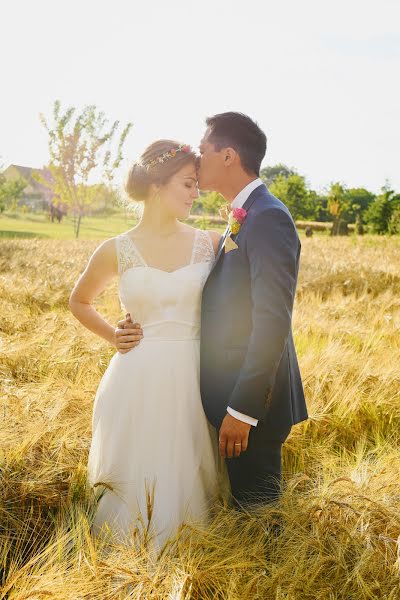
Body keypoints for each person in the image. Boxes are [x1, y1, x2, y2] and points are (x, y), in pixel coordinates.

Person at [119, 112, 308, 510]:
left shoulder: (268, 217)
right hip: (230, 402)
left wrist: (243, 409)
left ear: (228, 156)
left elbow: (272, 321)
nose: (197, 158)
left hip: (253, 406)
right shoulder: (244, 216)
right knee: (243, 517)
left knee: (259, 524)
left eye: (203, 149)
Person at [68, 140, 229, 549]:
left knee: (186, 476)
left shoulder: (210, 243)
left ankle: (191, 567)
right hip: (135, 379)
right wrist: (112, 335)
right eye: (188, 184)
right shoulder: (115, 249)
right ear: (157, 185)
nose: (196, 194)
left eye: (197, 185)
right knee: (135, 480)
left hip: (194, 378)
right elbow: (79, 300)